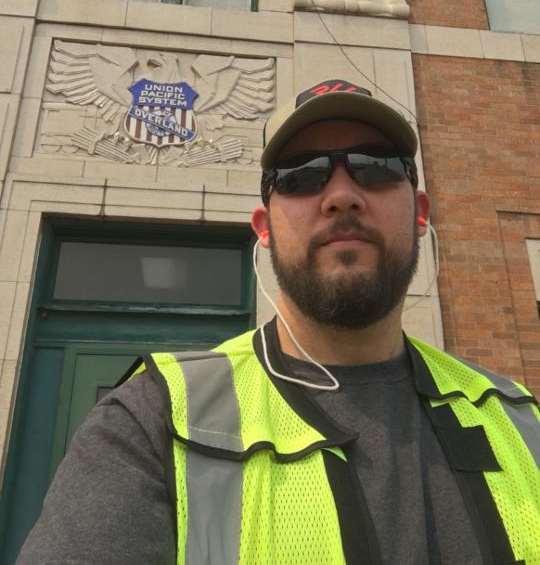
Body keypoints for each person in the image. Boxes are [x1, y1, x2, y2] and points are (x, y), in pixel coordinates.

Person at [17, 80, 540, 565]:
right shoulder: (152, 421)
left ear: (421, 213)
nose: (340, 195)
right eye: (301, 174)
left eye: (376, 166)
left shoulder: (520, 421)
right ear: (263, 229)